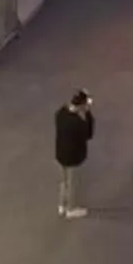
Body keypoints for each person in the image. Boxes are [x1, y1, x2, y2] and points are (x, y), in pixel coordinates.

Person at [53, 88, 95, 218]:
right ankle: (70, 209)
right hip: (73, 157)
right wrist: (88, 112)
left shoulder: (61, 113)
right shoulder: (78, 123)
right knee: (72, 183)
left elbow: (63, 111)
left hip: (60, 153)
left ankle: (62, 205)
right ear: (82, 105)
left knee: (63, 181)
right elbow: (89, 134)